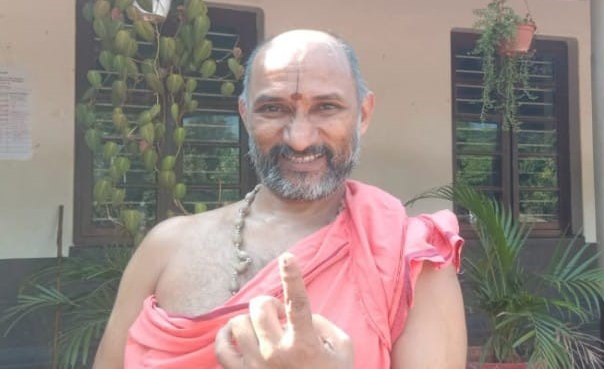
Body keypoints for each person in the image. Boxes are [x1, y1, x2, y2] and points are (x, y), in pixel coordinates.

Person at [93, 29, 467, 368]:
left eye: (327, 107)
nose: (299, 138)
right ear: (245, 114)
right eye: (273, 108)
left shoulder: (412, 261)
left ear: (363, 114)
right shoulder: (166, 247)